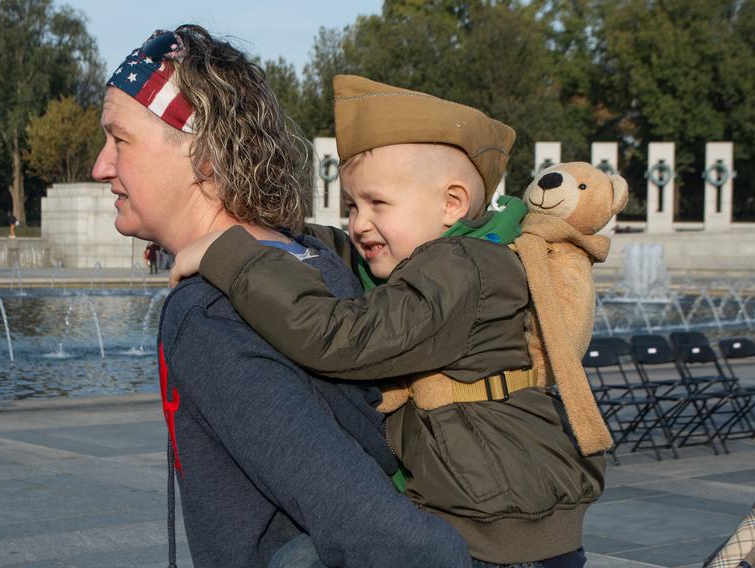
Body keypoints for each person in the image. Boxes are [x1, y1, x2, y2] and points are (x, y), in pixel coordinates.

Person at [170, 76, 606, 566]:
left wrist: (234, 254)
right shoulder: (438, 258)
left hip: (504, 539)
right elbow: (341, 249)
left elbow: (342, 337)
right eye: (353, 205)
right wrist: (268, 231)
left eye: (378, 204)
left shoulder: (462, 270)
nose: (358, 222)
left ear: (452, 204)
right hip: (494, 516)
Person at [92, 26, 471, 568]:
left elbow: (384, 535)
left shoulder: (210, 311)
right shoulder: (309, 258)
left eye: (119, 140)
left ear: (201, 155)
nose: (100, 166)